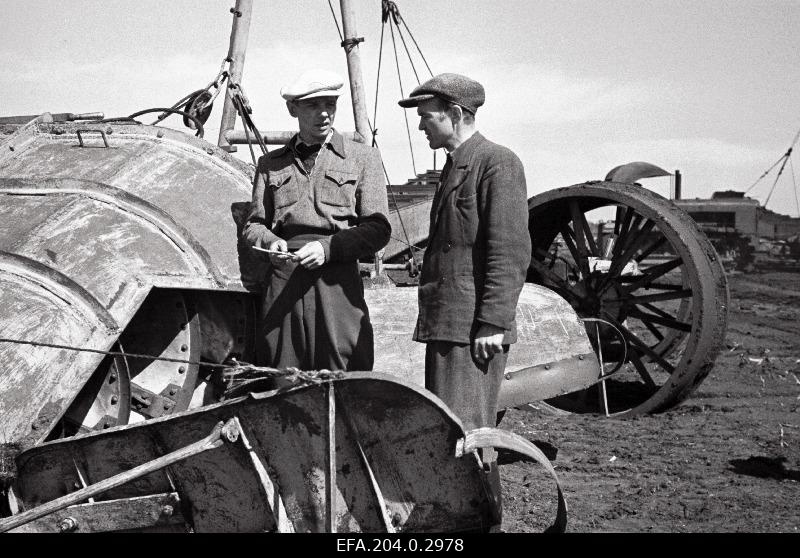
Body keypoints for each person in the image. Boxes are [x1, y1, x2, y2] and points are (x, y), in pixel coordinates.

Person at [398, 73, 531, 523]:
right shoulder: (458, 164)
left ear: (455, 114)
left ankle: (483, 522)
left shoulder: (497, 163)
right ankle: (461, 520)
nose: (421, 127)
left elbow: (509, 249)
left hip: (473, 329)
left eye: (426, 117)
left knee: (471, 434)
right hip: (448, 323)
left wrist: (493, 322)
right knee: (452, 432)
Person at [242, 69, 391, 372]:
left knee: (346, 366)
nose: (324, 114)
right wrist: (273, 242)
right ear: (292, 109)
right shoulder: (271, 163)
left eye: (330, 105)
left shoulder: (363, 158)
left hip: (337, 280)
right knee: (283, 370)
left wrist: (327, 248)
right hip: (283, 280)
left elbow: (378, 229)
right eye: (313, 106)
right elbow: (253, 225)